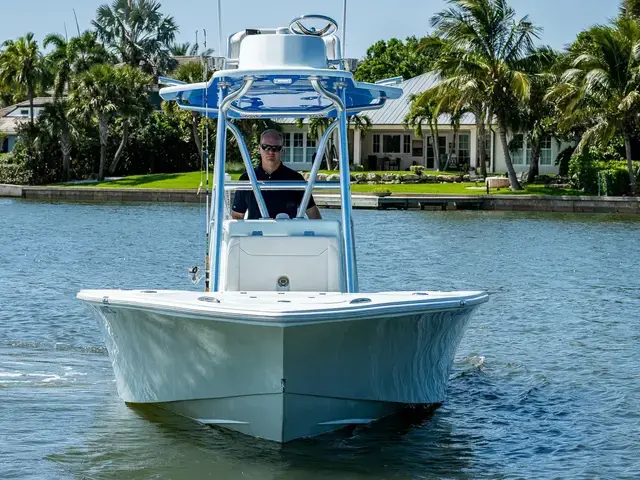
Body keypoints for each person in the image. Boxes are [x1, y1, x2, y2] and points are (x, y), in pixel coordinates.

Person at [231, 129, 322, 220]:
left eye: (276, 148)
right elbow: (237, 216)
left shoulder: (295, 179)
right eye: (266, 147)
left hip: (287, 233)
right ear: (259, 149)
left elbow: (313, 213)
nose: (271, 152)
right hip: (256, 233)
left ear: (282, 150)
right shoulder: (247, 178)